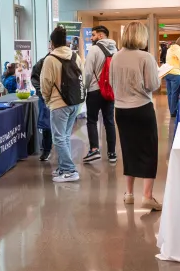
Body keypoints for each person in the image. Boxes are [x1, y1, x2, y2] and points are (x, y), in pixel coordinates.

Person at [110, 21, 162, 211]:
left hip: (121, 110)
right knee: (149, 149)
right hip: (141, 108)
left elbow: (111, 81)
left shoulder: (116, 57)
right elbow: (152, 85)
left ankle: (129, 194)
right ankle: (147, 196)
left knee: (128, 148)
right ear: (142, 36)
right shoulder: (146, 57)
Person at [41, 26, 84, 183]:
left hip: (59, 104)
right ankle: (63, 168)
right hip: (74, 102)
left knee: (58, 137)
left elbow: (45, 83)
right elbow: (82, 79)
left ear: (52, 43)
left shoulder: (50, 59)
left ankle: (70, 170)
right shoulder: (75, 57)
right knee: (64, 136)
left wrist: (47, 100)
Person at [83, 25, 117, 164]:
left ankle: (94, 149)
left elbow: (88, 72)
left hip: (94, 90)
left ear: (101, 36)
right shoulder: (116, 50)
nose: (91, 37)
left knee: (92, 120)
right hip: (109, 91)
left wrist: (85, 88)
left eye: (93, 35)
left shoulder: (94, 49)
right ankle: (112, 153)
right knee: (109, 121)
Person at [31, 47, 53, 162]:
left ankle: (62, 155)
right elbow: (34, 77)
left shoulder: (70, 59)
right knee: (46, 125)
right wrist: (42, 92)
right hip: (46, 98)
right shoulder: (43, 61)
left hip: (63, 100)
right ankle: (47, 149)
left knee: (62, 128)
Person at [165, 36, 180, 117]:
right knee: (175, 93)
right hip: (176, 73)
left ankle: (171, 110)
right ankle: (173, 111)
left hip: (167, 73)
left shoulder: (169, 49)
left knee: (170, 93)